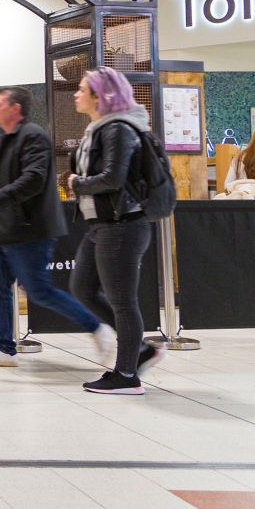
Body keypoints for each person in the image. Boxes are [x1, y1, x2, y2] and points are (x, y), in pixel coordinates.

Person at [0, 87, 115, 367]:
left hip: (30, 230)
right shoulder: (4, 141)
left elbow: (33, 179)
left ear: (15, 108)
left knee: (39, 291)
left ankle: (98, 328)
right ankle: (4, 348)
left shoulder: (34, 136)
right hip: (4, 231)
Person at [68, 67, 160, 395]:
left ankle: (126, 375)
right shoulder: (99, 128)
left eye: (82, 89)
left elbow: (113, 178)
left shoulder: (118, 129)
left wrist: (77, 183)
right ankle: (139, 351)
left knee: (123, 301)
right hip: (102, 225)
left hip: (123, 225)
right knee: (82, 288)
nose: (76, 94)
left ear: (100, 95)